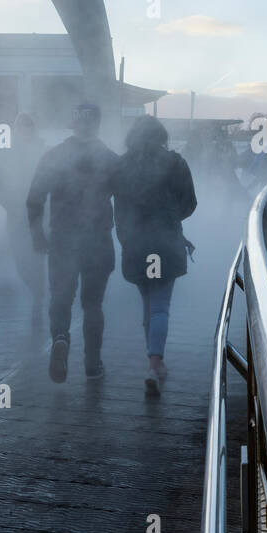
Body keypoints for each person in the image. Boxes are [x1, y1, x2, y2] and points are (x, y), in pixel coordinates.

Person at [27, 102, 118, 382]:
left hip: (63, 238)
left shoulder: (54, 156)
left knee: (61, 297)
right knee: (93, 304)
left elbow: (34, 199)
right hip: (99, 239)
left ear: (73, 124)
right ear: (98, 125)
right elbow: (127, 201)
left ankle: (61, 338)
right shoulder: (111, 159)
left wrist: (37, 235)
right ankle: (93, 365)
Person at [113, 115, 197, 395]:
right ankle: (154, 363)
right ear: (161, 135)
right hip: (165, 242)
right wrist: (171, 219)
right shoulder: (175, 163)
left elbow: (119, 205)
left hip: (135, 244)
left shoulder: (121, 165)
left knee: (149, 305)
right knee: (160, 306)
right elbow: (190, 203)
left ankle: (154, 360)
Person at [0, 112, 46, 345]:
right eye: (20, 128)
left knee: (36, 259)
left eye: (27, 127)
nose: (24, 132)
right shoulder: (9, 155)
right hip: (16, 217)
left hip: (39, 218)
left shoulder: (44, 153)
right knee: (21, 262)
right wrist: (10, 204)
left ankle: (38, 300)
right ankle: (37, 292)